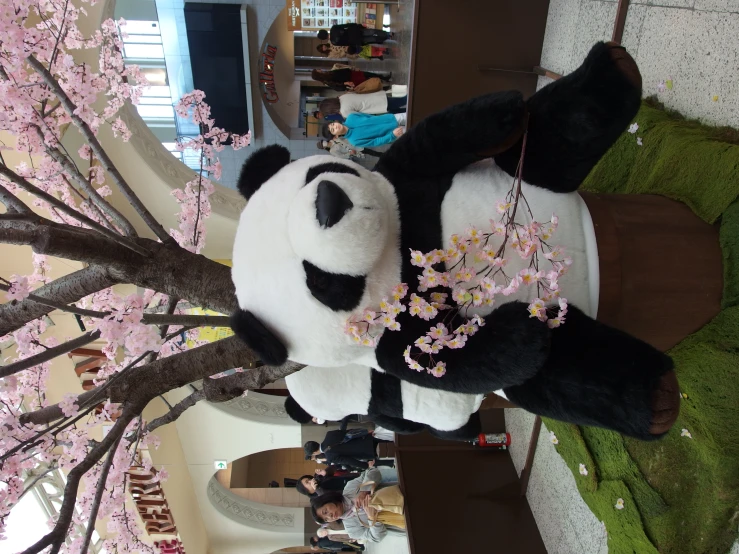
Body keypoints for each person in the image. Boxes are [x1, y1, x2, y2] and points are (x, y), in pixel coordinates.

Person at [310, 467, 405, 543]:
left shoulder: (350, 488)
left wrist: (364, 491)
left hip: (402, 493)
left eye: (325, 511)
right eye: (326, 519)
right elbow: (377, 538)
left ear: (327, 500)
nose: (330, 516)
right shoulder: (351, 528)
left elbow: (373, 471)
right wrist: (372, 518)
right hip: (405, 521)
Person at [303, 428, 394, 470]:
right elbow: (349, 432)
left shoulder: (330, 457)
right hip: (367, 439)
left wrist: (365, 465)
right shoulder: (329, 434)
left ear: (314, 453)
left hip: (366, 452)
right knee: (394, 440)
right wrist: (365, 431)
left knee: (392, 452)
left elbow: (349, 461)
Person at [327, 113, 406, 148]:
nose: (335, 127)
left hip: (391, 118)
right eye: (333, 130)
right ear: (336, 136)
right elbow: (375, 142)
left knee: (415, 113)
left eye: (333, 124)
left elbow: (369, 116)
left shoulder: (351, 117)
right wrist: (392, 135)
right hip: (394, 132)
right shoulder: (354, 141)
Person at [311, 68, 391, 92]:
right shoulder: (327, 81)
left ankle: (384, 78)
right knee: (369, 83)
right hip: (351, 80)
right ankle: (383, 88)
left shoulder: (327, 73)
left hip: (351, 74)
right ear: (318, 74)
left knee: (369, 74)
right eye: (317, 70)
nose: (319, 69)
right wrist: (345, 83)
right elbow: (337, 86)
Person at [317, 24, 393, 49]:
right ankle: (387, 34)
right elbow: (346, 25)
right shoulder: (333, 28)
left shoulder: (334, 42)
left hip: (357, 41)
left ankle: (387, 37)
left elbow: (347, 44)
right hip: (356, 31)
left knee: (372, 39)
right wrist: (357, 25)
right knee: (372, 32)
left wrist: (357, 44)